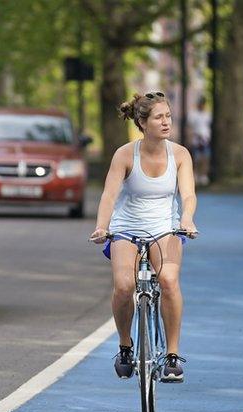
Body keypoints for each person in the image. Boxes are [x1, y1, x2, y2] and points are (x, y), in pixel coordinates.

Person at [89, 91, 199, 383]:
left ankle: (173, 355)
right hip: (127, 226)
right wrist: (102, 227)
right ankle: (125, 345)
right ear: (142, 122)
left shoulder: (180, 155)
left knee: (169, 281)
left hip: (166, 226)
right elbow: (109, 195)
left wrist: (186, 219)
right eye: (159, 117)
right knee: (124, 286)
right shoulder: (125, 155)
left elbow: (187, 195)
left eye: (168, 116)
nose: (166, 122)